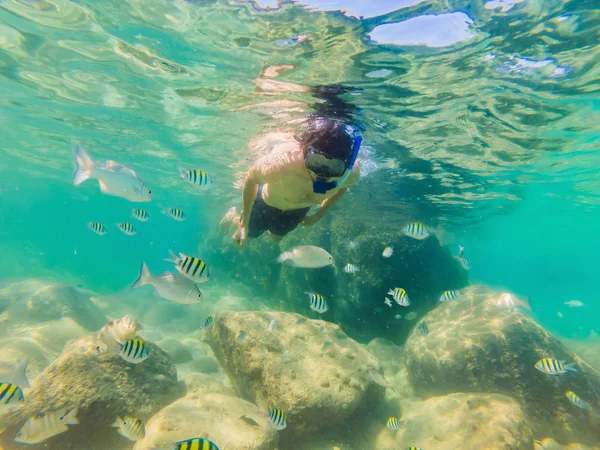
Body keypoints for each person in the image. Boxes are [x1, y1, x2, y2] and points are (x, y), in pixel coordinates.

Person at [226, 117, 361, 247]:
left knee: (276, 238)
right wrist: (244, 225)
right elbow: (250, 179)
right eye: (316, 161)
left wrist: (319, 214)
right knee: (240, 241)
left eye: (333, 166)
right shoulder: (282, 165)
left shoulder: (350, 175)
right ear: (304, 151)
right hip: (265, 205)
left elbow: (343, 187)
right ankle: (233, 216)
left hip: (295, 214)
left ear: (346, 162)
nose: (322, 172)